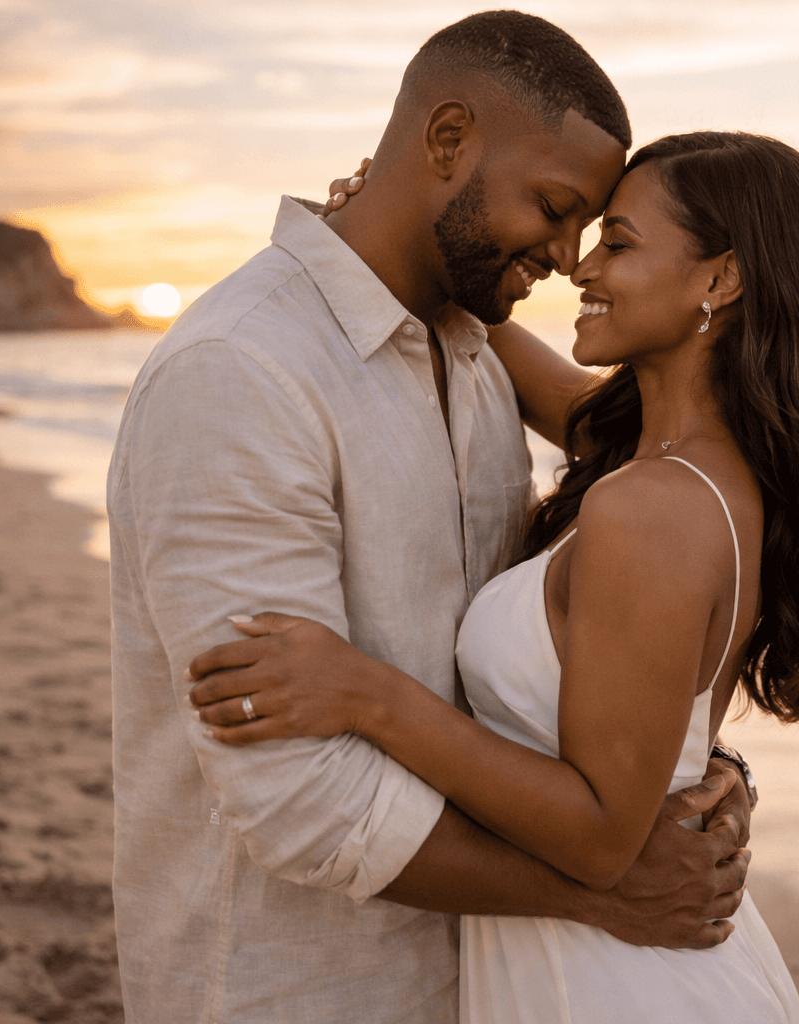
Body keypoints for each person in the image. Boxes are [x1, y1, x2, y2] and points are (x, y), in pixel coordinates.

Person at [187, 131, 799, 1022]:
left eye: (617, 243)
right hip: (595, 964)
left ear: (720, 280)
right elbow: (478, 325)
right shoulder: (670, 458)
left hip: (621, 981)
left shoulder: (653, 504)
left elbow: (600, 838)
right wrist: (382, 231)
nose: (579, 266)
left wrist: (365, 695)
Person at [107, 13, 754, 1024]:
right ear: (448, 142)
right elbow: (295, 798)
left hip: (496, 982)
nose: (569, 255)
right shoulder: (240, 373)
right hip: (301, 987)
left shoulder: (473, 351)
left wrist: (692, 769)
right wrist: (602, 887)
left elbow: (659, 557)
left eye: (597, 228)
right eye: (554, 206)